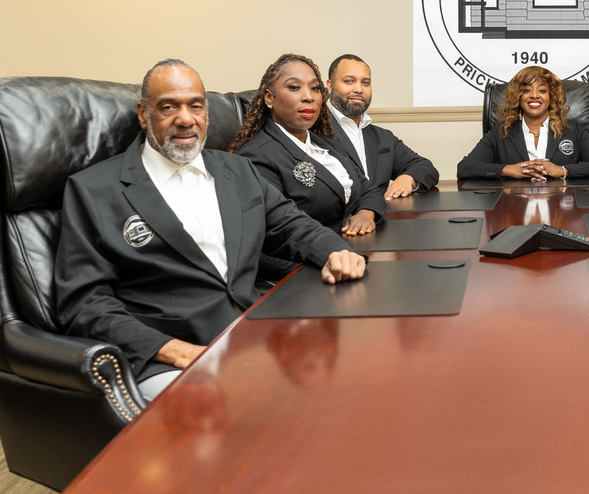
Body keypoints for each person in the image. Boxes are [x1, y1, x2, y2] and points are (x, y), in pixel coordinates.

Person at [55, 59, 366, 400]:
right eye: (168, 106)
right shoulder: (94, 190)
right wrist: (174, 350)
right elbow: (84, 303)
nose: (185, 119)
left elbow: (292, 223)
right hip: (170, 360)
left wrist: (337, 251)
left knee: (345, 383)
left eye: (195, 106)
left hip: (253, 336)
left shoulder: (238, 170)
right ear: (144, 115)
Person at [229, 53, 385, 241]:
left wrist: (365, 215)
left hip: (357, 247)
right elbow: (279, 231)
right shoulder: (257, 156)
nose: (308, 97)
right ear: (269, 98)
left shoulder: (327, 143)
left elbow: (368, 189)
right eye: (294, 87)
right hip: (310, 262)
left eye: (315, 88)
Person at [456, 65, 589, 180]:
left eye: (542, 90)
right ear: (517, 97)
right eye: (526, 90)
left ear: (551, 97)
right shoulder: (500, 132)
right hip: (514, 211)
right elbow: (465, 167)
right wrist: (508, 170)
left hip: (562, 209)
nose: (534, 95)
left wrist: (562, 170)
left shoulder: (573, 130)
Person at [326, 54, 439, 200]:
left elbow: (426, 167)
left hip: (383, 219)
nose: (359, 89)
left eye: (365, 83)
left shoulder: (383, 138)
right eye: (349, 81)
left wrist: (407, 179)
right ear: (330, 86)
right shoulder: (311, 131)